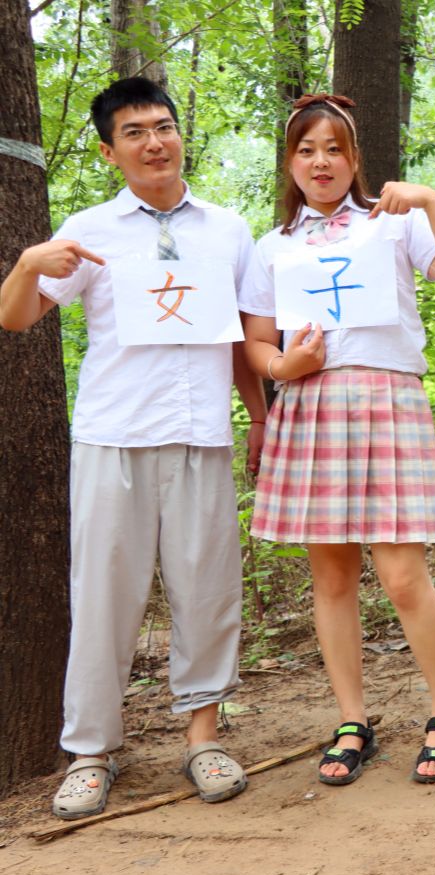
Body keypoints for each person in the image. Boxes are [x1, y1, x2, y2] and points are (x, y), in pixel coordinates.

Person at [0, 77, 266, 818]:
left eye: (164, 126)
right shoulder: (89, 232)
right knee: (103, 596)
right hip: (113, 436)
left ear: (180, 133)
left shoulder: (227, 229)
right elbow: (15, 320)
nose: (155, 142)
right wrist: (27, 265)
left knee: (208, 591)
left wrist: (261, 420)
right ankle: (92, 753)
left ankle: (203, 737)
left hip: (200, 435)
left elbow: (243, 335)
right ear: (110, 149)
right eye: (136, 132)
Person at [239, 94, 435, 786]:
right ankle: (352, 718)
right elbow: (256, 342)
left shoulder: (393, 225)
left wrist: (431, 201)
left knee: (403, 577)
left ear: (354, 159)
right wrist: (285, 367)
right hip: (310, 404)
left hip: (387, 400)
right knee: (332, 576)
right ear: (290, 162)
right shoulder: (273, 247)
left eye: (335, 149)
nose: (322, 161)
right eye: (307, 149)